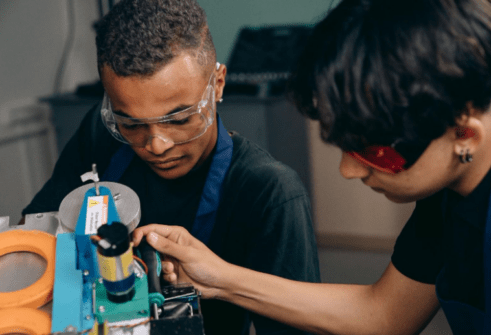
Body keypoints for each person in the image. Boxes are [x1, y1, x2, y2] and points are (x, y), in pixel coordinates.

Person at [132, 0, 491, 333]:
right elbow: (385, 315)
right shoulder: (449, 192)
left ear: (465, 135)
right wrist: (218, 278)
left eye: (372, 151)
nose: (348, 171)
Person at [21, 0, 320, 334]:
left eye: (179, 119)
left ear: (218, 84)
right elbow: (35, 233)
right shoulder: (101, 133)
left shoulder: (270, 193)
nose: (156, 145)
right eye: (132, 124)